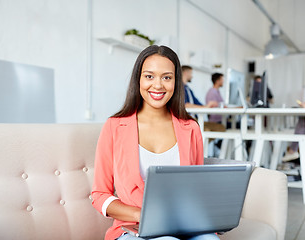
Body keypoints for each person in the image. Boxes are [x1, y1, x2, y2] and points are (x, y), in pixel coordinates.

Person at [91, 45, 220, 240]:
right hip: (134, 228)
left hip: (182, 224)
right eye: (149, 76)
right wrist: (142, 216)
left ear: (176, 82)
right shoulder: (115, 127)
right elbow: (100, 194)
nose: (158, 85)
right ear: (138, 79)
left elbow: (195, 190)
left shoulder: (190, 128)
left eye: (167, 77)